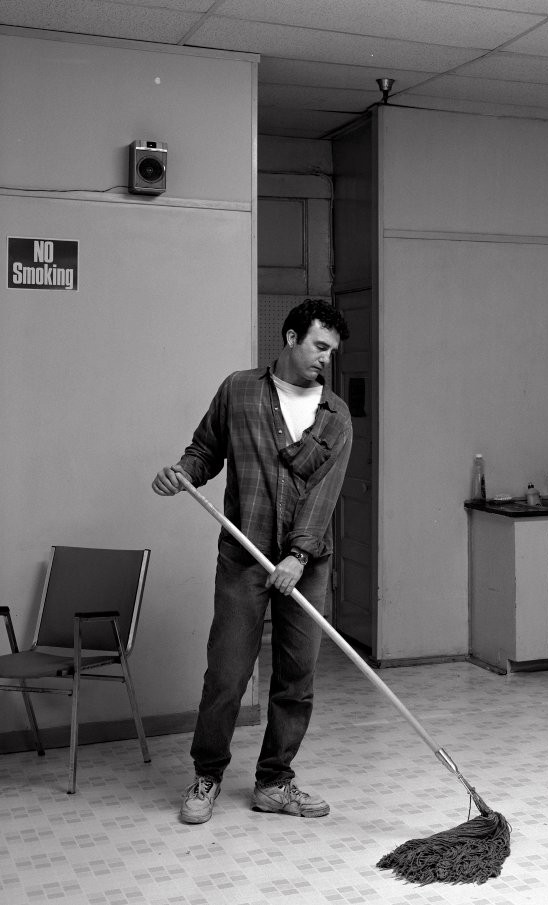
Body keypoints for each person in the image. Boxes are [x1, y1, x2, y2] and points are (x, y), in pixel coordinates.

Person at [152, 298, 352, 825]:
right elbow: (205, 450)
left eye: (332, 351)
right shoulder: (238, 391)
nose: (325, 359)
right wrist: (182, 474)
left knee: (296, 679)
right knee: (227, 674)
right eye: (319, 346)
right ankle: (207, 776)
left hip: (306, 566)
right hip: (244, 557)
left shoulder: (336, 417)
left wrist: (297, 556)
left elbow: (323, 497)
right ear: (291, 338)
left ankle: (274, 782)